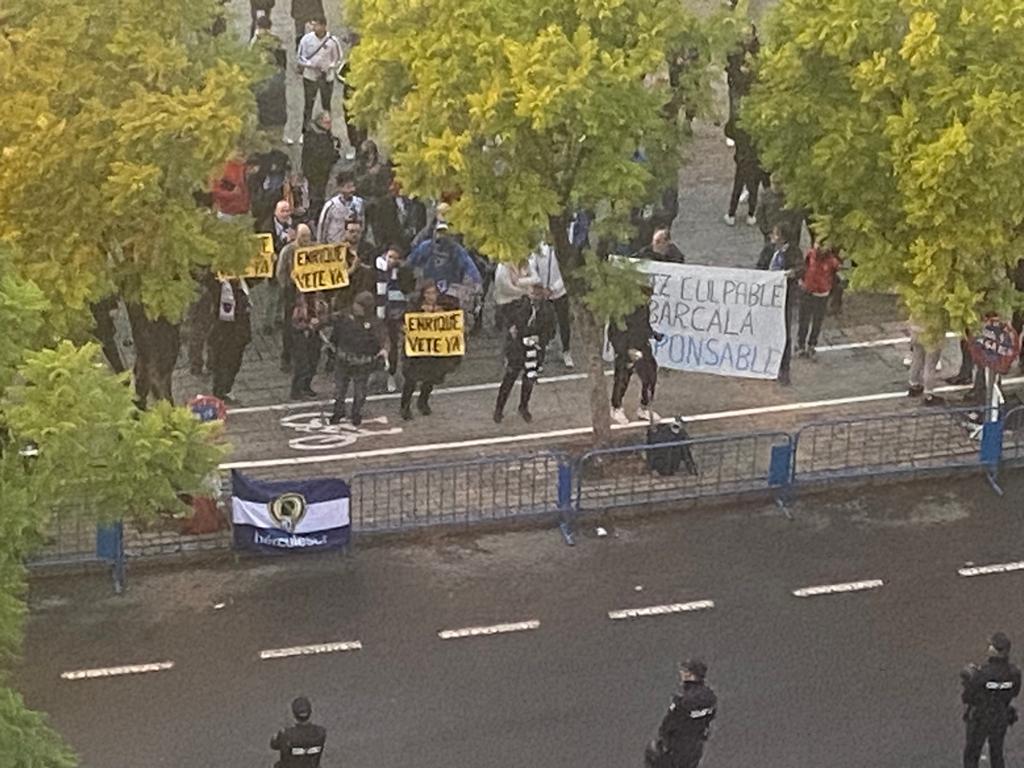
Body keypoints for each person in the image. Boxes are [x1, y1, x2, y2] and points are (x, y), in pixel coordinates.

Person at [493, 284, 556, 424]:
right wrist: (511, 329)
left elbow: (551, 331)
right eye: (533, 294)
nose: (535, 297)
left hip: (535, 348)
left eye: (538, 294)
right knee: (509, 379)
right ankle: (499, 408)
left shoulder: (548, 309)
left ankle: (524, 406)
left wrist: (540, 339)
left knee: (529, 379)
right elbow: (504, 317)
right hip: (517, 347)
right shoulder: (518, 305)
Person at [399, 280, 461, 420]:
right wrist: (405, 328)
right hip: (417, 351)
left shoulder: (446, 306)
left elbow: (455, 323)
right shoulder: (414, 307)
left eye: (433, 292)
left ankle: (423, 402)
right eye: (428, 293)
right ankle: (405, 406)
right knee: (411, 379)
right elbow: (402, 321)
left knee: (430, 378)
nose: (431, 296)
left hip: (434, 351)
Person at [962, 632, 1021, 768]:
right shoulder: (1014, 673)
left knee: (972, 754)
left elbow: (968, 697)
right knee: (997, 753)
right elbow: (1015, 692)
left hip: (980, 717)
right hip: (1001, 716)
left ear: (994, 650)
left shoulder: (981, 674)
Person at [329, 291, 386, 426]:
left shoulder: (374, 323)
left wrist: (384, 349)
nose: (355, 308)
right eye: (355, 304)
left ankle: (356, 412)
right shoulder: (345, 315)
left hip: (362, 363)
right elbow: (330, 320)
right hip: (343, 359)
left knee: (360, 392)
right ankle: (338, 411)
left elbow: (383, 338)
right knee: (339, 390)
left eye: (359, 306)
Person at [646, 659, 717, 768]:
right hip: (696, 744)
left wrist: (663, 737)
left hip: (677, 746)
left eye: (685, 671)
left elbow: (670, 721)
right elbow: (710, 718)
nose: (682, 674)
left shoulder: (684, 700)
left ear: (691, 675)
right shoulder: (710, 697)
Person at [610, 285, 664, 425]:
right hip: (627, 349)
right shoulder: (621, 310)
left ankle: (644, 407)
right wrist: (626, 350)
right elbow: (614, 333)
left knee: (650, 376)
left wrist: (653, 334)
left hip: (642, 346)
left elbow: (644, 326)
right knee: (622, 379)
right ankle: (616, 407)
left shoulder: (644, 308)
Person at [761, 223, 804, 386]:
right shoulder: (768, 250)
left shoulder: (793, 252)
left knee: (784, 333)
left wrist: (791, 273)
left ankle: (784, 369)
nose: (773, 237)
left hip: (784, 298)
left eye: (776, 234)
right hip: (768, 297)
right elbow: (760, 266)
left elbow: (801, 268)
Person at [407, 221, 482, 296]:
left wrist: (477, 281)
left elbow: (468, 265)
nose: (441, 235)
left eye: (444, 232)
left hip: (451, 286)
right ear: (434, 232)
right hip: (429, 286)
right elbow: (411, 261)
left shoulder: (456, 249)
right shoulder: (425, 246)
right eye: (439, 232)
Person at [208, 278, 252, 405]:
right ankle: (220, 391)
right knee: (223, 363)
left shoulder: (243, 285)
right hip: (224, 333)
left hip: (239, 333)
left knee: (234, 363)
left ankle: (226, 389)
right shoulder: (219, 286)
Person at [529, 242, 574, 368]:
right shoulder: (539, 248)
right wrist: (538, 284)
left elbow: (566, 273)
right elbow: (532, 265)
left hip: (559, 293)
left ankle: (566, 350)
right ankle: (540, 356)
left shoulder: (563, 249)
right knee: (541, 325)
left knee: (564, 323)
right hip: (543, 294)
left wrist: (553, 288)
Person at [795, 243, 842, 359]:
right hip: (807, 291)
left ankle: (812, 345)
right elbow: (804, 267)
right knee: (804, 320)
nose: (820, 248)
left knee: (817, 321)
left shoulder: (832, 261)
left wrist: (830, 288)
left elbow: (836, 275)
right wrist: (801, 281)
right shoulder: (811, 254)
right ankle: (801, 344)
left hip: (821, 294)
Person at [277, 223, 313, 372]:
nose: (306, 239)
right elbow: (280, 272)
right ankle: (286, 357)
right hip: (292, 291)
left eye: (308, 236)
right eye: (303, 236)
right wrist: (287, 286)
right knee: (289, 325)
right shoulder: (288, 250)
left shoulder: (313, 248)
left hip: (309, 289)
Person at [297, 16, 341, 129]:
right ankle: (305, 130)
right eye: (312, 25)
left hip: (326, 77)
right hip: (310, 76)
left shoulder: (332, 41)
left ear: (323, 26)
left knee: (326, 105)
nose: (313, 27)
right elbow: (300, 57)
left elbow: (338, 59)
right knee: (308, 104)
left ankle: (327, 129)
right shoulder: (306, 39)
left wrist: (329, 66)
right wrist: (311, 65)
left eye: (316, 25)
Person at [251, 15, 288, 136]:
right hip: (276, 82)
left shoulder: (255, 43)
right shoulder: (277, 41)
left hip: (263, 82)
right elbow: (283, 62)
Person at [723, 127, 766, 227]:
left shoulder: (740, 126)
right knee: (753, 188)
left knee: (738, 186)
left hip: (742, 159)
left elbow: (728, 130)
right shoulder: (758, 127)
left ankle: (731, 214)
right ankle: (750, 215)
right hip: (755, 160)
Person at [301, 112, 341, 218]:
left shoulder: (324, 133)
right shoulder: (313, 135)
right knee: (315, 194)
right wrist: (333, 155)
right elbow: (318, 154)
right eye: (327, 122)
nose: (330, 125)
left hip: (322, 170)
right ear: (320, 122)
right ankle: (315, 215)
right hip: (315, 171)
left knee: (321, 192)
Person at [289, 291, 328, 400]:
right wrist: (307, 325)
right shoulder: (299, 302)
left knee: (313, 361)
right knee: (302, 364)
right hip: (301, 336)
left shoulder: (320, 300)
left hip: (315, 335)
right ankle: (296, 390)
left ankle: (306, 386)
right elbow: (295, 322)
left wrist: (319, 322)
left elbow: (325, 315)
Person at [270, 695, 326, 768]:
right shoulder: (320, 732)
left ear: (294, 714)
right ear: (310, 712)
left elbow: (274, 745)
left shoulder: (286, 734)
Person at [493, 260, 539, 335]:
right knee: (510, 334)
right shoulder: (503, 267)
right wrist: (525, 291)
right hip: (506, 305)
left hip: (522, 303)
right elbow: (505, 288)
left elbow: (536, 278)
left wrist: (519, 282)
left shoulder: (526, 263)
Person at [317, 171, 365, 244]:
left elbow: (362, 224)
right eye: (348, 187)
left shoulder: (359, 203)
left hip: (352, 246)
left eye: (353, 186)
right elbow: (322, 227)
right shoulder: (331, 205)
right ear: (340, 188)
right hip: (334, 245)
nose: (352, 190)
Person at [907, 323, 944, 406]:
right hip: (932, 333)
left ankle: (913, 385)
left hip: (916, 330)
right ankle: (928, 395)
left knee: (917, 359)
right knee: (930, 365)